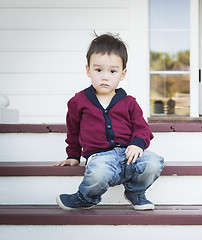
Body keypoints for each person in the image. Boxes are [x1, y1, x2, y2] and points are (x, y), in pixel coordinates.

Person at [54, 33, 164, 211]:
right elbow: (73, 131)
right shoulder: (78, 101)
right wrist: (73, 156)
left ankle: (135, 192)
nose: (105, 77)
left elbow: (142, 129)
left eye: (112, 71)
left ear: (122, 74)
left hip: (129, 155)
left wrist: (137, 144)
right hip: (100, 157)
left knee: (154, 162)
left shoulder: (129, 103)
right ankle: (86, 197)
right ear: (88, 70)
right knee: (98, 172)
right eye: (98, 70)